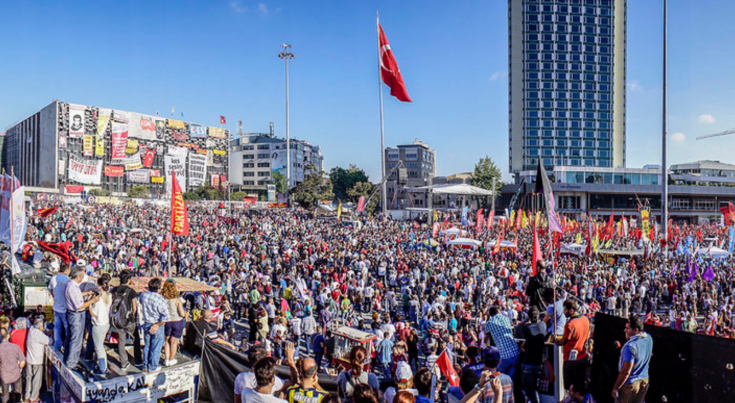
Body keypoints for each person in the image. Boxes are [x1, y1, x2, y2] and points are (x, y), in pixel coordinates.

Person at [64, 267, 100, 371]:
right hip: (76, 314)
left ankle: (69, 358)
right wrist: (93, 300)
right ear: (79, 276)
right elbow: (79, 305)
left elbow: (77, 297)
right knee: (76, 339)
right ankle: (72, 363)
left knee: (72, 337)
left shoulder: (71, 285)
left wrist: (87, 294)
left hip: (72, 314)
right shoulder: (73, 288)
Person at [611, 314, 653, 403]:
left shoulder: (630, 347)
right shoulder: (649, 338)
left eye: (628, 328)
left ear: (636, 330)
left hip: (630, 385)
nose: (625, 330)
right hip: (644, 380)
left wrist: (616, 388)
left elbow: (625, 372)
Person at [555, 299, 591, 392]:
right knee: (581, 386)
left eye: (565, 310)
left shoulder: (570, 324)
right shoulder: (585, 319)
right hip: (583, 356)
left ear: (571, 310)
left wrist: (557, 340)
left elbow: (563, 341)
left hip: (571, 360)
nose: (564, 312)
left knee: (570, 388)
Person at [111, 269, 142, 370]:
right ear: (129, 279)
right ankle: (138, 360)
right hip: (128, 320)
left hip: (117, 319)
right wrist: (134, 316)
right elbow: (134, 307)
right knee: (136, 338)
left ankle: (123, 362)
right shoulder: (131, 291)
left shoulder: (114, 289)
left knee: (121, 340)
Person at [138, 278, 170, 372]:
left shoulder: (143, 295)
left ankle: (145, 365)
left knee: (147, 346)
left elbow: (140, 300)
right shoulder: (160, 299)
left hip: (147, 322)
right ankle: (152, 367)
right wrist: (157, 325)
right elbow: (166, 317)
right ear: (159, 288)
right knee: (155, 347)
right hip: (157, 324)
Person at [517, 307, 547, 403]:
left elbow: (520, 328)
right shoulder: (543, 325)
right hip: (538, 363)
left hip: (528, 363)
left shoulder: (526, 328)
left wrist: (526, 320)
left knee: (530, 390)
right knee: (536, 389)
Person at [484, 306, 520, 379]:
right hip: (515, 352)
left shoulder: (489, 323)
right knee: (510, 377)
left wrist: (488, 318)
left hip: (504, 355)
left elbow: (486, 333)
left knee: (499, 377)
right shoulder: (506, 318)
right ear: (498, 311)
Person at [89, 276, 112, 375]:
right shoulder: (109, 295)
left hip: (98, 324)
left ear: (99, 286)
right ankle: (101, 365)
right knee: (100, 346)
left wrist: (90, 304)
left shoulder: (97, 299)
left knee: (99, 347)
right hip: (105, 323)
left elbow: (93, 314)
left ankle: (102, 368)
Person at [162, 279, 188, 367]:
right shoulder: (177, 300)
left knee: (167, 341)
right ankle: (171, 359)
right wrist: (185, 314)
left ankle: (166, 359)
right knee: (174, 342)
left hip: (167, 321)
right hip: (177, 321)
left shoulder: (163, 299)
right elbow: (181, 313)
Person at [25, 316, 49, 403]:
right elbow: (49, 341)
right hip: (37, 361)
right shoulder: (39, 334)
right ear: (40, 327)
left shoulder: (31, 330)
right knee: (36, 380)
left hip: (29, 359)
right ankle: (34, 397)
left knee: (28, 378)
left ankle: (27, 396)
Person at [49, 262, 71, 350]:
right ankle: (66, 346)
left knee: (57, 327)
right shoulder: (67, 280)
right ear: (66, 270)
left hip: (56, 307)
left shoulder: (53, 278)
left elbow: (51, 291)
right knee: (66, 328)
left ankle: (57, 345)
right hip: (64, 309)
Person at [0, 328, 25, 403]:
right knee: (18, 393)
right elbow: (22, 362)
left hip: (4, 375)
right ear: (8, 336)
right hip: (15, 374)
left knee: (5, 395)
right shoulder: (15, 347)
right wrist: (19, 368)